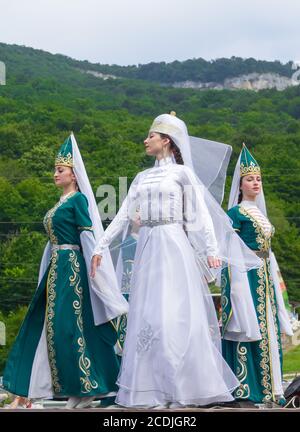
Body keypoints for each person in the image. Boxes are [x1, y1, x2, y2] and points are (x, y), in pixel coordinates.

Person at [91, 113, 261, 408]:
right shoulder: (142, 178)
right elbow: (123, 215)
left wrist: (211, 249)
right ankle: (153, 388)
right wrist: (99, 246)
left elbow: (201, 215)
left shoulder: (182, 175)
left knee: (176, 314)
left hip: (173, 245)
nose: (146, 140)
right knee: (149, 316)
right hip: (149, 246)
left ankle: (183, 385)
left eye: (151, 136)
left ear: (166, 140)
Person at [2, 134, 128, 409]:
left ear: (74, 174)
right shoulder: (59, 203)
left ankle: (87, 388)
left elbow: (86, 236)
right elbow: (52, 244)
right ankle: (76, 389)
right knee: (56, 330)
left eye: (60, 169)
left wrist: (96, 265)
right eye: (55, 169)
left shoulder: (78, 201)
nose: (55, 174)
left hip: (73, 270)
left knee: (71, 328)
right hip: (57, 271)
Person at [221, 143, 293, 405]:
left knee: (268, 328)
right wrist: (237, 285)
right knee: (249, 325)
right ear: (240, 185)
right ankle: (247, 387)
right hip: (247, 276)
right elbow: (232, 250)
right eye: (250, 179)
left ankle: (272, 387)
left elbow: (268, 251)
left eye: (258, 179)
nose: (255, 183)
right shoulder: (236, 213)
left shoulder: (260, 213)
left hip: (264, 275)